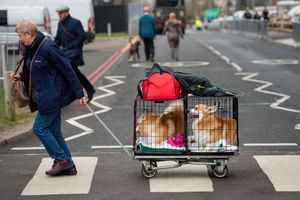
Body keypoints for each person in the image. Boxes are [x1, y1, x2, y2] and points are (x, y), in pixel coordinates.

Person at [10, 18, 87, 176]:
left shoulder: (48, 47)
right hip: (45, 96)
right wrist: (20, 76)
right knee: (54, 131)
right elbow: (37, 71)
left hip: (52, 97)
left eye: (20, 36)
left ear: (29, 33)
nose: (20, 39)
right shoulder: (33, 47)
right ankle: (69, 165)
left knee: (39, 129)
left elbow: (67, 69)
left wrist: (80, 93)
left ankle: (61, 160)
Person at [55, 6, 95, 103]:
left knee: (69, 71)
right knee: (73, 73)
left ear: (67, 13)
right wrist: (52, 48)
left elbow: (82, 35)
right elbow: (58, 39)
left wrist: (72, 45)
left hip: (74, 52)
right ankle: (89, 89)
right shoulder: (60, 24)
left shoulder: (75, 22)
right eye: (58, 13)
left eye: (61, 13)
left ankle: (73, 93)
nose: (59, 15)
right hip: (65, 52)